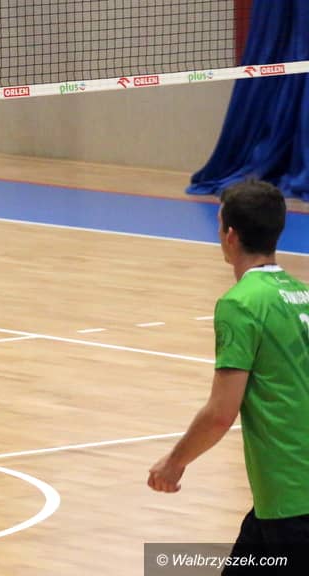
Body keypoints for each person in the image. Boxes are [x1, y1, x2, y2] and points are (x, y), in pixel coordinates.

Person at [148, 179, 309, 571]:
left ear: (230, 235)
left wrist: (175, 462)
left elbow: (221, 413)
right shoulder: (303, 295)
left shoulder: (240, 305)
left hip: (290, 501)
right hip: (279, 501)